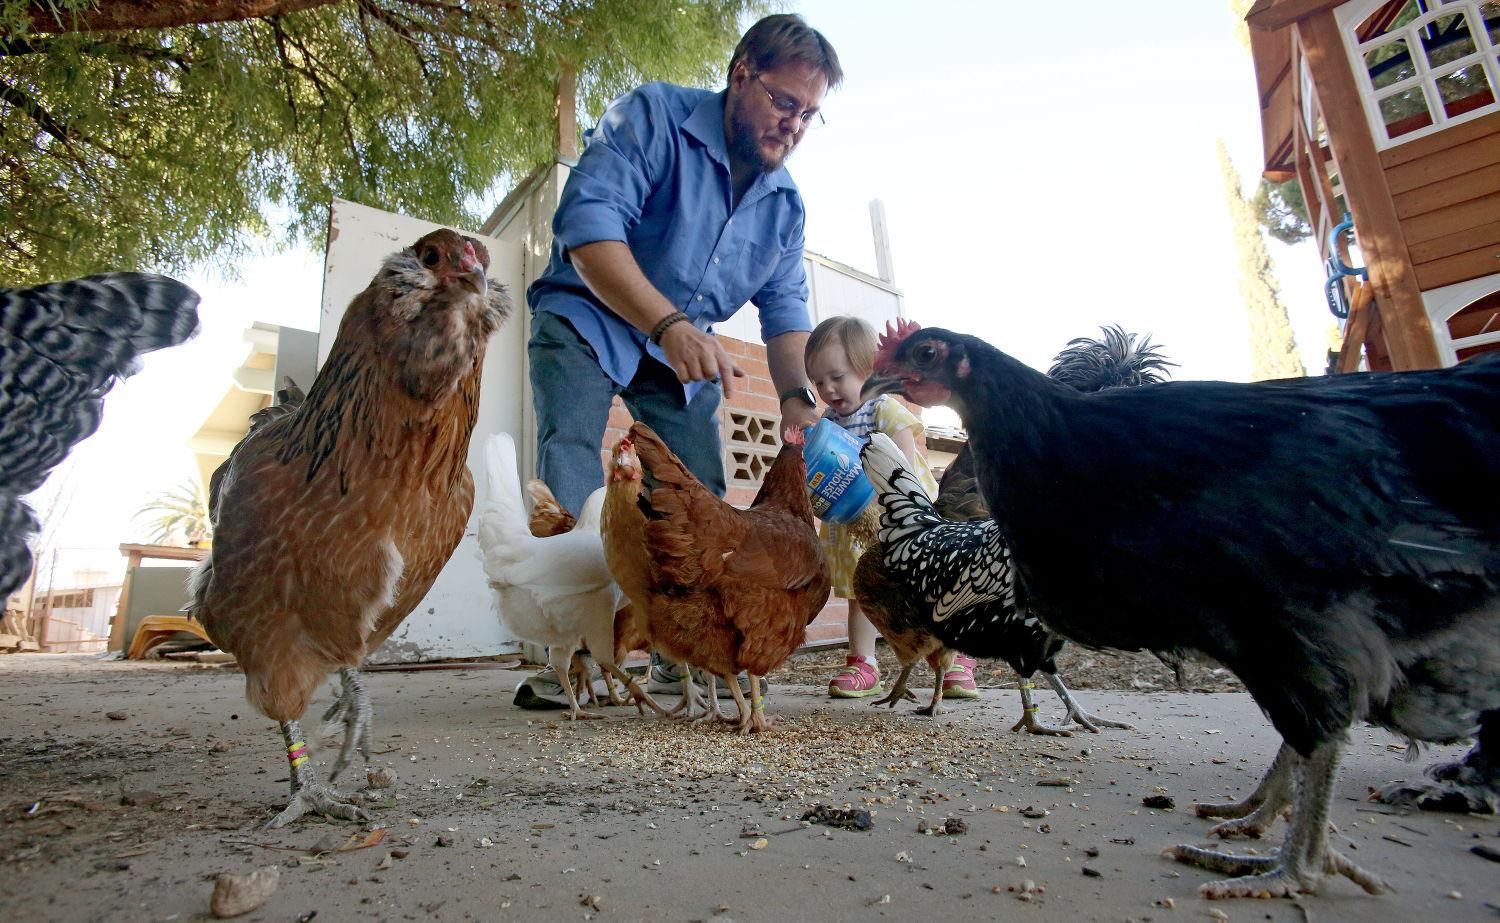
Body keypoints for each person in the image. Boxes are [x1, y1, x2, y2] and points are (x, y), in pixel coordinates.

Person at [513, 14, 841, 709]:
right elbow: (588, 230)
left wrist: (794, 397)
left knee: (704, 493)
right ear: (741, 72)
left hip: (680, 346)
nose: (794, 125)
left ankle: (678, 651)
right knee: (573, 459)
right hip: (588, 311)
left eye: (810, 114)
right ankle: (565, 655)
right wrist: (665, 323)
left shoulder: (785, 207)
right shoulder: (653, 115)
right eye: (785, 102)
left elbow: (784, 315)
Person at [803, 316, 979, 699]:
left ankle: (958, 653)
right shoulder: (828, 422)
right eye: (818, 382)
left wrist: (886, 490)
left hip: (896, 515)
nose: (828, 389)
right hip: (853, 525)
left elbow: (903, 461)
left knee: (934, 586)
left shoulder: (885, 410)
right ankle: (863, 662)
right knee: (861, 593)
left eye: (837, 376)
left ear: (868, 369)